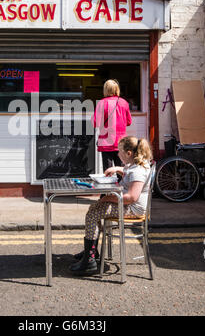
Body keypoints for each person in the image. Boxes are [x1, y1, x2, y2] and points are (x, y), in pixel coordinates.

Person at [69, 136, 153, 276]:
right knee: (93, 209)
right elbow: (128, 172)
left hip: (132, 209)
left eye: (119, 152)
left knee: (92, 214)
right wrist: (117, 169)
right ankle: (92, 251)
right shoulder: (135, 165)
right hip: (127, 205)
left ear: (129, 154)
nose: (118, 154)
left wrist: (109, 198)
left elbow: (132, 197)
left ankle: (89, 260)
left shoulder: (137, 171)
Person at [92, 79, 132, 170]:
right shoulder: (124, 103)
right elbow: (129, 122)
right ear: (117, 89)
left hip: (106, 142)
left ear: (105, 90)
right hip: (120, 142)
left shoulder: (101, 103)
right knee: (121, 171)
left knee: (108, 172)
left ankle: (108, 184)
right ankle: (122, 184)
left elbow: (95, 122)